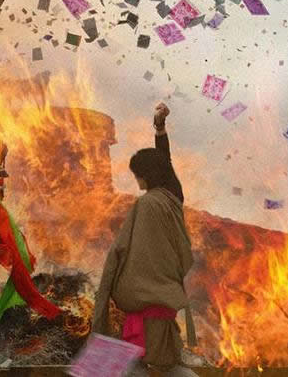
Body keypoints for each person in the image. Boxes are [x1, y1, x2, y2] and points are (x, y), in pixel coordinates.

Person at [91, 103, 198, 377]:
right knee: (166, 365)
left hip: (144, 307)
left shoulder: (147, 205)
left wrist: (110, 291)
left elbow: (122, 250)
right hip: (164, 304)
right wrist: (160, 130)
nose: (136, 179)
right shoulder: (172, 198)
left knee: (138, 368)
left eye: (137, 173)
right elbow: (167, 165)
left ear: (146, 175)